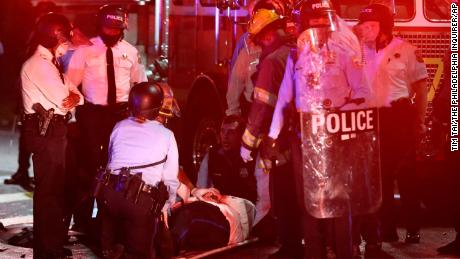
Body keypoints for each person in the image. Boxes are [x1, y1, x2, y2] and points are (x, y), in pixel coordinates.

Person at [268, 0, 371, 257]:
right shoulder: (295, 57)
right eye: (314, 25)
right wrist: (272, 137)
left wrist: (339, 114)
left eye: (323, 25)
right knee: (309, 202)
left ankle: (344, 252)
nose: (319, 30)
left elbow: (363, 93)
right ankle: (313, 252)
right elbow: (284, 98)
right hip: (306, 138)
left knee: (339, 200)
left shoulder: (345, 55)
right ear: (304, 27)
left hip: (337, 136)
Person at [66, 4, 147, 232]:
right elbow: (70, 86)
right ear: (99, 25)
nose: (111, 32)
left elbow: (138, 85)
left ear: (122, 28)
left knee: (118, 167)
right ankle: (82, 220)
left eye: (115, 28)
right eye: (106, 27)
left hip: (121, 116)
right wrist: (72, 118)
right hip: (92, 115)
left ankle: (109, 220)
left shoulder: (130, 52)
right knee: (88, 168)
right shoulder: (85, 50)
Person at [356, 3, 428, 244]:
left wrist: (419, 121)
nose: (366, 30)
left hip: (399, 117)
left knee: (407, 176)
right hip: (371, 118)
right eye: (363, 26)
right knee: (380, 178)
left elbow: (420, 86)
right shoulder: (359, 51)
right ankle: (386, 229)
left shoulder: (406, 50)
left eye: (371, 25)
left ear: (384, 26)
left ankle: (413, 227)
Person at [240, 7, 304, 258]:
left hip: (281, 140)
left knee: (284, 193)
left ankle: (290, 246)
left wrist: (247, 146)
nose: (257, 46)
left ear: (266, 36)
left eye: (258, 41)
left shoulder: (271, 61)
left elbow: (261, 108)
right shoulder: (297, 51)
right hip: (303, 136)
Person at [21, 12, 82, 258]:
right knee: (49, 193)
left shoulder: (50, 64)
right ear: (55, 36)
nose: (68, 43)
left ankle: (51, 246)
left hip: (53, 130)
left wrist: (74, 97)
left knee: (55, 191)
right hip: (45, 129)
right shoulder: (39, 65)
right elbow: (63, 99)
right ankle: (47, 251)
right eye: (65, 38)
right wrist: (73, 98)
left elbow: (77, 95)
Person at [96, 82, 179, 258]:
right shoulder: (167, 135)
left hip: (110, 197)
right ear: (157, 108)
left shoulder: (119, 127)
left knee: (110, 252)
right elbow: (170, 179)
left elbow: (111, 160)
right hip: (139, 202)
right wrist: (166, 207)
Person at [195, 115, 257, 204]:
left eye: (231, 132)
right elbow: (201, 188)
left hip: (248, 211)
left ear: (241, 135)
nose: (225, 136)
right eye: (222, 131)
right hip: (221, 210)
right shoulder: (212, 156)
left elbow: (263, 196)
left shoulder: (252, 157)